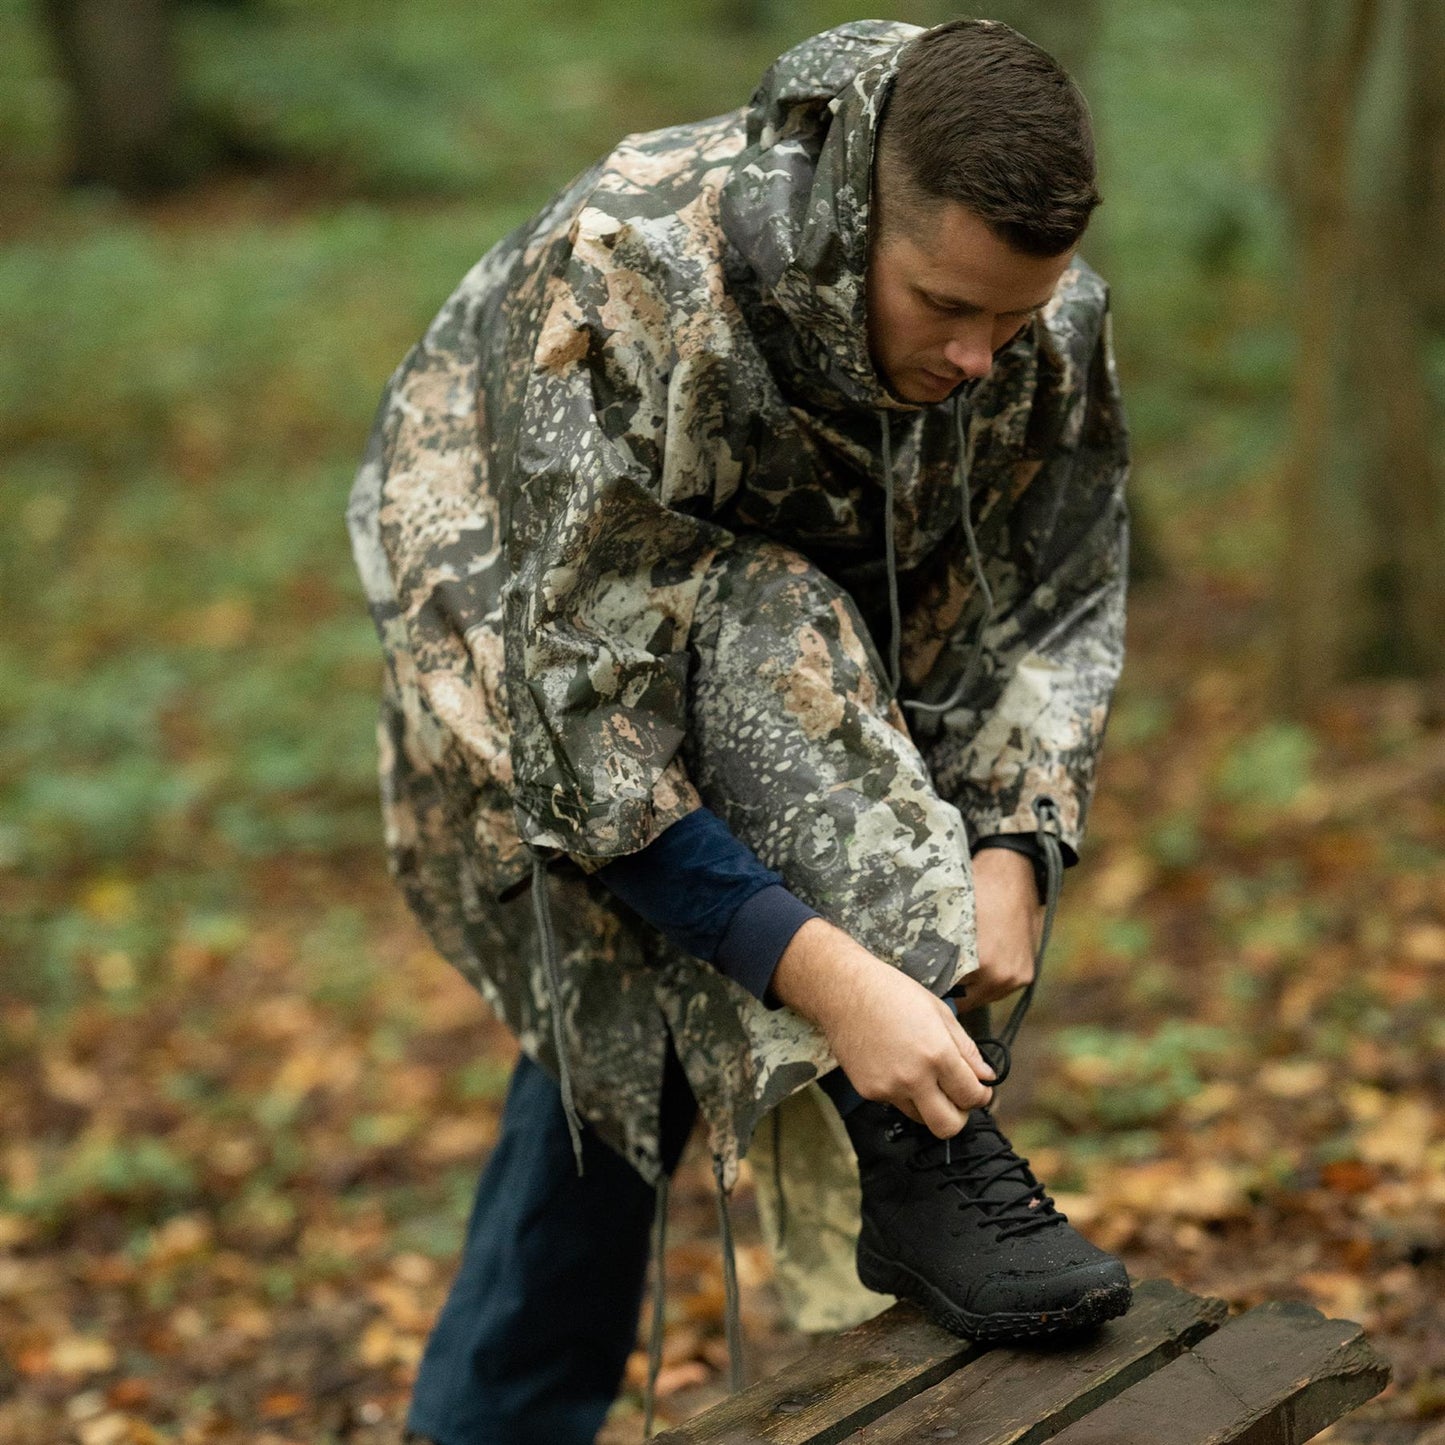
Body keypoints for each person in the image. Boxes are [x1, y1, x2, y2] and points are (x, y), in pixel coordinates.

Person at [348, 17, 1132, 1444]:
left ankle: (915, 1151)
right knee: (620, 1046)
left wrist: (1014, 836)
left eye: (1012, 319)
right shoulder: (629, 278)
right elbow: (577, 718)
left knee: (645, 1049)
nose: (977, 355)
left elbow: (1054, 595)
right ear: (853, 217)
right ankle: (912, 1146)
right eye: (942, 304)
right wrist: (836, 983)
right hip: (519, 635)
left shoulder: (1035, 322)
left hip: (826, 686)